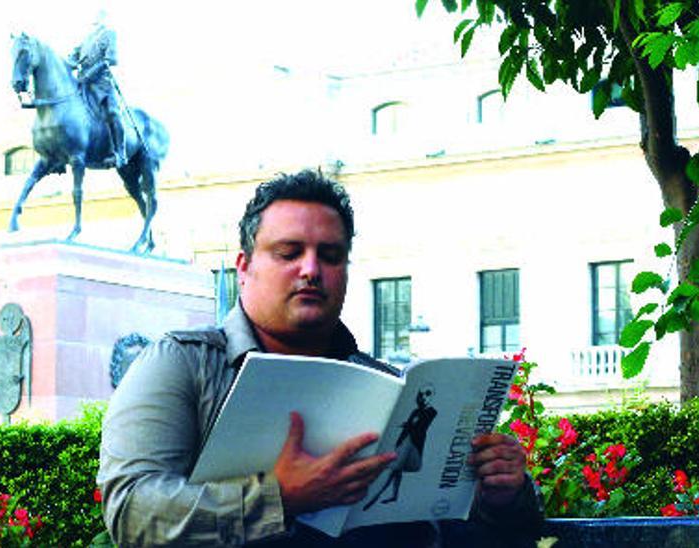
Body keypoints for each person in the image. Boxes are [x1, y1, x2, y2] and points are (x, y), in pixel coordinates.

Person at [98, 169, 542, 547]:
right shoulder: (180, 363)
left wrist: (502, 498)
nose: (311, 269)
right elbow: (132, 510)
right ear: (244, 266)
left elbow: (443, 533)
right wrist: (278, 499)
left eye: (330, 256)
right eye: (289, 253)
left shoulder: (389, 388)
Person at [69, 9, 127, 169]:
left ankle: (120, 153)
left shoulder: (109, 33)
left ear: (103, 18)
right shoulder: (86, 39)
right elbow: (73, 56)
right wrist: (65, 64)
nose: (93, 18)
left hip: (102, 83)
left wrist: (90, 73)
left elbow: (111, 59)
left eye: (97, 15)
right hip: (84, 84)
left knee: (113, 114)